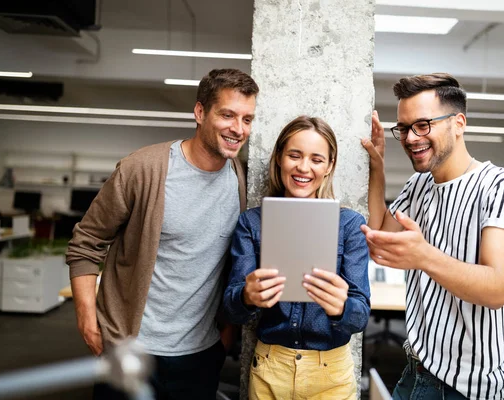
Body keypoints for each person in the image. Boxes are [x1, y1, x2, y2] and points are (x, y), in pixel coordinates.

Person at [65, 68, 259, 400]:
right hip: (130, 351)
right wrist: (88, 321)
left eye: (247, 119)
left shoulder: (240, 179)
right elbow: (86, 244)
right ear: (200, 113)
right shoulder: (143, 169)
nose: (238, 129)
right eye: (227, 115)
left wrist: (225, 335)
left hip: (201, 354)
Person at [361, 73, 504, 400]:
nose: (411, 138)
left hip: (472, 389)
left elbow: (498, 287)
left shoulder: (502, 187)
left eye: (423, 124)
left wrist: (423, 256)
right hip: (416, 374)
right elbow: (380, 241)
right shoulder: (419, 186)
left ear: (458, 123)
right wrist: (378, 168)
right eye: (403, 128)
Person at [223, 116, 370, 400]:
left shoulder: (350, 226)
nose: (304, 167)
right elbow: (231, 310)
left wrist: (343, 307)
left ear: (329, 167)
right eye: (294, 155)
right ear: (279, 158)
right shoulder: (252, 223)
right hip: (270, 369)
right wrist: (246, 296)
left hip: (331, 375)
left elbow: (360, 316)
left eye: (317, 159)